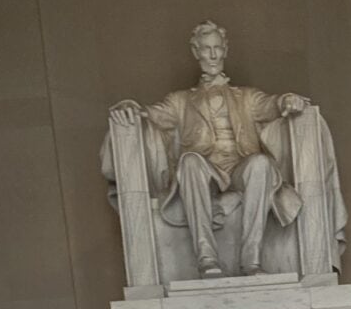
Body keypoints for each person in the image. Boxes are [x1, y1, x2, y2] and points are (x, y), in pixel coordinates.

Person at [109, 20, 309, 278]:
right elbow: (149, 114)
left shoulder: (246, 97)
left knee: (261, 163)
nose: (213, 55)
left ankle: (252, 262)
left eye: (217, 48)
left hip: (240, 168)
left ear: (225, 50)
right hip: (204, 171)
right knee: (190, 161)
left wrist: (286, 99)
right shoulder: (180, 101)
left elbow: (271, 105)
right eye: (206, 49)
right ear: (196, 52)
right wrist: (129, 107)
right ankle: (207, 259)